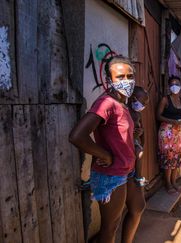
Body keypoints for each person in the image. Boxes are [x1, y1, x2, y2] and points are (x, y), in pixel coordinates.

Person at [69, 56, 145, 243]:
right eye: (120, 77)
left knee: (138, 207)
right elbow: (77, 136)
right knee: (110, 228)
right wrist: (105, 155)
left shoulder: (122, 103)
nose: (126, 80)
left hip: (126, 169)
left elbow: (115, 135)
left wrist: (133, 137)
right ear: (109, 80)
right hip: (111, 174)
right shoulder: (106, 103)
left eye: (129, 76)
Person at [157, 76, 181, 194]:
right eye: (172, 84)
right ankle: (168, 184)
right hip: (167, 132)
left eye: (177, 84)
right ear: (169, 87)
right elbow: (158, 116)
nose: (175, 86)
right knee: (168, 158)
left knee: (177, 157)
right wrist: (172, 121)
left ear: (180, 86)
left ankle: (174, 182)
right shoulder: (165, 99)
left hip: (179, 132)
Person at [128, 86, 149, 187]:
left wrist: (142, 143)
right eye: (143, 103)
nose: (144, 106)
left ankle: (138, 177)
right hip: (123, 142)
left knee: (139, 153)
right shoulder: (124, 111)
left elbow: (143, 130)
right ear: (133, 98)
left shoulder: (138, 115)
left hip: (135, 142)